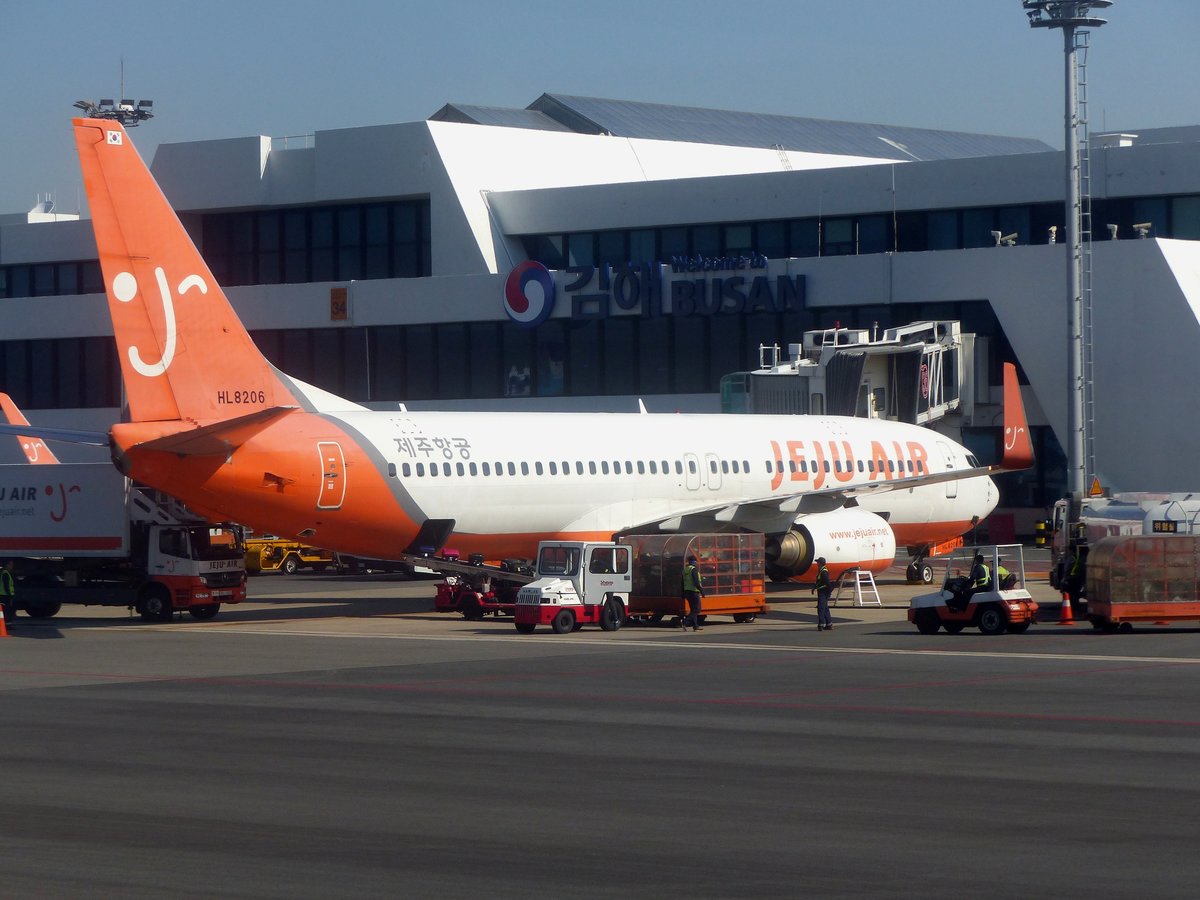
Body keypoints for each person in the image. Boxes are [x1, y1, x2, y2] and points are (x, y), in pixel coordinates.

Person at [680, 555, 704, 631]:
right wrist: (702, 591)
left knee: (693, 609)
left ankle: (695, 626)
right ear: (695, 562)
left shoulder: (685, 570)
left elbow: (682, 583)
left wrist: (683, 593)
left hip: (687, 592)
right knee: (697, 609)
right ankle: (685, 622)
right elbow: (696, 582)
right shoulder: (693, 570)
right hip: (694, 592)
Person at [812, 556, 832, 630]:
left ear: (820, 563)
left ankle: (821, 624)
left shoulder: (824, 572)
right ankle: (829, 624)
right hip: (823, 591)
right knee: (825, 608)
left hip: (823, 592)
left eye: (817, 562)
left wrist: (828, 592)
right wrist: (814, 588)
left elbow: (826, 583)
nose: (817, 563)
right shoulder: (822, 570)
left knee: (821, 608)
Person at [0, 560, 14, 627]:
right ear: (7, 565)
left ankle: (7, 624)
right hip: (5, 595)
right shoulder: (5, 573)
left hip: (4, 595)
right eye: (11, 565)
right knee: (7, 611)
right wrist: (9, 595)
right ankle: (8, 625)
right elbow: (6, 585)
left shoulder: (5, 572)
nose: (12, 566)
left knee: (6, 610)